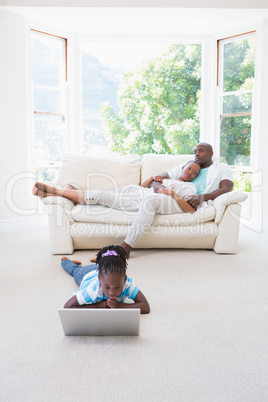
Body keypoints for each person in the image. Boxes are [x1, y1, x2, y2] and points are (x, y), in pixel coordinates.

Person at [32, 160, 201, 257]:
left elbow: (190, 209)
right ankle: (63, 195)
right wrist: (153, 179)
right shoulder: (167, 179)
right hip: (138, 192)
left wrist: (170, 193)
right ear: (183, 168)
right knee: (105, 195)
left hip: (145, 200)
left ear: (195, 177)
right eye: (189, 168)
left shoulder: (189, 188)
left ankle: (55, 191)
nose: (190, 172)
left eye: (194, 173)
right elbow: (141, 186)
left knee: (101, 196)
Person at [62, 245, 150, 314]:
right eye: (107, 287)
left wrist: (119, 305)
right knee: (74, 270)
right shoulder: (93, 290)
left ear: (124, 280)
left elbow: (145, 307)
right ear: (99, 280)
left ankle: (100, 260)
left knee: (106, 269)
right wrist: (99, 306)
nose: (111, 292)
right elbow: (67, 306)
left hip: (104, 272)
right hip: (86, 273)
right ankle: (65, 260)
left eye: (117, 287)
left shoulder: (127, 284)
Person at [148, 142, 234, 209]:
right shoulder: (187, 166)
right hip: (175, 200)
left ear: (210, 154)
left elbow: (227, 188)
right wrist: (157, 186)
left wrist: (202, 197)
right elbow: (158, 178)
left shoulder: (222, 167)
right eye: (195, 152)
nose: (196, 154)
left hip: (196, 205)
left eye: (201, 151)